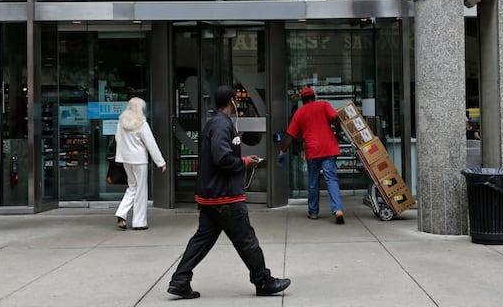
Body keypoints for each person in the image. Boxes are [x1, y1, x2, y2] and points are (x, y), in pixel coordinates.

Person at [167, 85, 290, 299]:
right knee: (246, 240)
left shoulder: (217, 124)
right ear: (232, 101)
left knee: (202, 240)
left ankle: (180, 280)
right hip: (225, 196)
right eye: (236, 101)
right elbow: (222, 157)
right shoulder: (221, 125)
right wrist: (244, 161)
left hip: (211, 196)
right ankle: (263, 281)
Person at [278, 87, 345, 224]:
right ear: (314, 97)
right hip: (329, 148)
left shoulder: (299, 113)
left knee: (313, 181)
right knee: (331, 179)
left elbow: (290, 135)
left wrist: (282, 151)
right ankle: (338, 210)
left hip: (313, 150)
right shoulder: (324, 105)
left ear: (302, 100)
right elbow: (335, 118)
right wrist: (338, 132)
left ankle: (313, 212)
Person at [114, 97, 167, 231]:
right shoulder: (141, 123)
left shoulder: (121, 123)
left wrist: (120, 157)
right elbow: (151, 144)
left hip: (126, 159)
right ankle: (139, 222)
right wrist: (160, 162)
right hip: (139, 160)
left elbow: (117, 139)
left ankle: (122, 213)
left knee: (132, 187)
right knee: (141, 191)